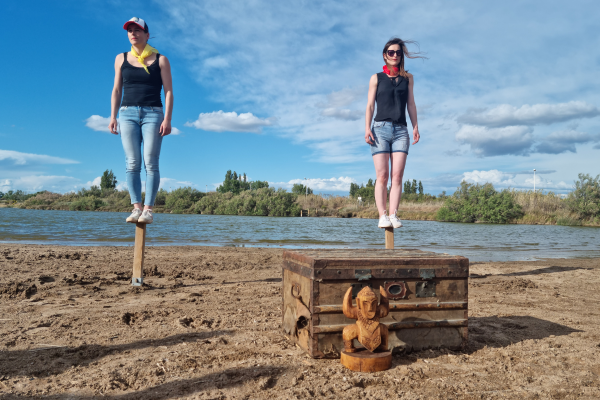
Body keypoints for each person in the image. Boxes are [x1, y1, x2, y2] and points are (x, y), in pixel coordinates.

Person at [108, 17, 173, 224]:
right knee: (132, 163)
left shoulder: (161, 60)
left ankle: (148, 210)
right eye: (130, 31)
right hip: (127, 114)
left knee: (150, 162)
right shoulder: (121, 58)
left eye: (137, 30)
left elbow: (169, 91)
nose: (133, 34)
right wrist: (113, 116)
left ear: (147, 35)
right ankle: (136, 208)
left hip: (154, 114)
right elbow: (117, 89)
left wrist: (168, 119)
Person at [365, 37, 424, 229]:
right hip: (380, 129)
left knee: (397, 176)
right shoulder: (376, 78)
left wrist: (415, 126)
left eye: (398, 52)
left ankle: (393, 214)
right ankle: (382, 215)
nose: (395, 55)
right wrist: (367, 128)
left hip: (401, 131)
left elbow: (411, 104)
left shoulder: (408, 78)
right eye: (391, 52)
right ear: (385, 55)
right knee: (382, 176)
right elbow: (370, 105)